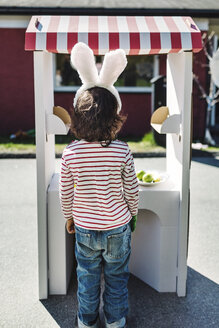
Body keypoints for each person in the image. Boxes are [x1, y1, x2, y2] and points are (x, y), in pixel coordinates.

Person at [59, 43, 139, 328]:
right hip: (117, 225)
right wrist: (133, 215)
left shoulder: (70, 153)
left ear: (77, 117)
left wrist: (69, 216)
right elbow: (132, 189)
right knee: (117, 277)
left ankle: (87, 321)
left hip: (84, 226)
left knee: (87, 277)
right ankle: (116, 322)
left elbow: (65, 191)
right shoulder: (122, 150)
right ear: (115, 117)